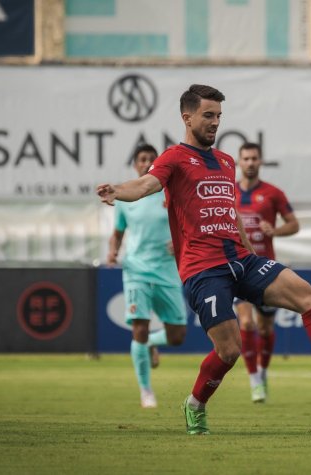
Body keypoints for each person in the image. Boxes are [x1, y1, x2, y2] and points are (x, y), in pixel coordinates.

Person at [97, 84, 311, 435]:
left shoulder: (226, 162)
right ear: (187, 117)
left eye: (219, 116)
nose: (215, 122)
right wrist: (117, 190)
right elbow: (146, 185)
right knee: (229, 350)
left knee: (310, 297)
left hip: (242, 260)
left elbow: (232, 213)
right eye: (208, 115)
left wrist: (250, 253)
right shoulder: (174, 157)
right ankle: (195, 404)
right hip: (203, 269)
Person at [107, 144, 187, 409]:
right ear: (135, 165)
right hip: (136, 269)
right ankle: (146, 391)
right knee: (139, 328)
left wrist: (181, 241)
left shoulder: (171, 191)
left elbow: (188, 224)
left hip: (167, 270)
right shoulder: (126, 198)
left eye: (151, 159)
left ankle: (151, 343)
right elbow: (118, 232)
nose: (146, 163)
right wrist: (113, 252)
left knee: (177, 336)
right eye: (142, 159)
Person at [234, 142, 300, 403]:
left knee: (264, 328)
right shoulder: (228, 192)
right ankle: (254, 381)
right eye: (246, 158)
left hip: (265, 269)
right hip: (238, 268)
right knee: (246, 323)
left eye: (254, 158)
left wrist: (275, 231)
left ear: (260, 162)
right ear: (239, 162)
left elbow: (294, 224)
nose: (250, 163)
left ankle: (262, 371)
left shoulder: (273, 193)